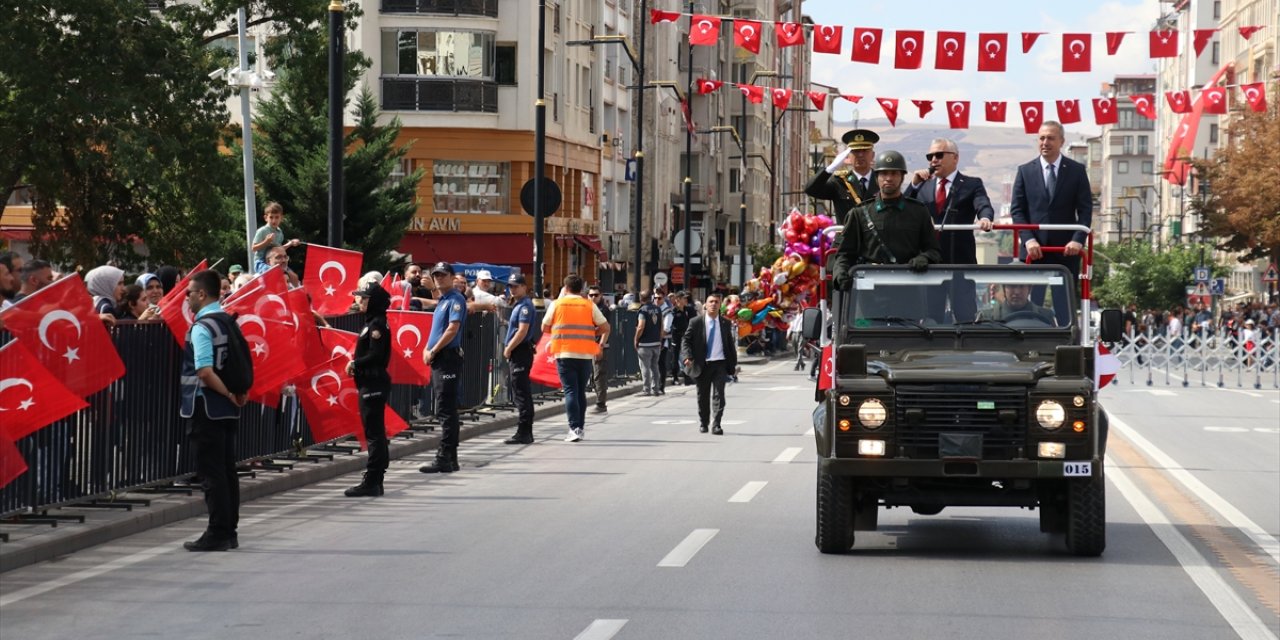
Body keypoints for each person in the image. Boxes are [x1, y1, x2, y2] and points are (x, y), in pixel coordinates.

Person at [180, 269, 248, 551]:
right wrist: (236, 394)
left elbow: (205, 371)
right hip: (228, 409)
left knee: (211, 473)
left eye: (189, 293)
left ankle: (217, 532)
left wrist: (227, 393)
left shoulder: (202, 327)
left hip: (205, 404)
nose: (187, 298)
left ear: (201, 294)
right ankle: (229, 530)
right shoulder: (229, 322)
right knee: (227, 470)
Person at [1010, 121, 1093, 327]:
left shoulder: (1076, 171)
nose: (1045, 142)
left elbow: (1085, 210)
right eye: (1041, 138)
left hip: (1065, 252)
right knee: (1031, 305)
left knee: (1064, 305)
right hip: (1034, 253)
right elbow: (1017, 211)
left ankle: (1068, 342)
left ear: (1061, 142)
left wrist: (1077, 240)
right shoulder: (1025, 171)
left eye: (1050, 138)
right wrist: (1028, 240)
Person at [903, 138, 996, 322]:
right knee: (931, 317)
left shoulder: (971, 183)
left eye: (939, 155)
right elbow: (903, 209)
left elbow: (983, 204)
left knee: (965, 316)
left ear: (955, 158)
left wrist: (985, 218)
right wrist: (913, 186)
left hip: (960, 261)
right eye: (930, 156)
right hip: (930, 263)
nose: (933, 160)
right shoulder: (922, 185)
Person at [830, 150, 942, 290]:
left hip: (909, 287)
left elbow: (934, 250)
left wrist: (924, 258)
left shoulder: (918, 211)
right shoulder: (860, 213)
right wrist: (841, 274)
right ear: (877, 178)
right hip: (870, 290)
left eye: (894, 173)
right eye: (884, 173)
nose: (889, 178)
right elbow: (844, 254)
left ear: (902, 177)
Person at [542, 273, 610, 442]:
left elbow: (544, 326)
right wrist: (592, 333)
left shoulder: (557, 304)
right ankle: (580, 427)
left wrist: (558, 332)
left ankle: (574, 428)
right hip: (585, 353)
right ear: (582, 289)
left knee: (570, 391)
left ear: (565, 288)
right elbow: (605, 326)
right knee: (580, 391)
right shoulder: (588, 305)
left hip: (564, 352)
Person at [344, 282, 393, 496]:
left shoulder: (377, 325)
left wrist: (355, 363)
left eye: (364, 298)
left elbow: (375, 355)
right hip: (370, 382)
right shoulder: (374, 322)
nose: (359, 300)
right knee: (375, 432)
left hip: (373, 382)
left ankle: (373, 479)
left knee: (374, 434)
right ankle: (375, 478)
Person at [420, 262, 467, 474]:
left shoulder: (455, 299)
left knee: (445, 410)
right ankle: (451, 458)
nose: (439, 278)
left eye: (443, 275)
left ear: (452, 277)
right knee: (446, 408)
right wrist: (427, 348)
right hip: (441, 357)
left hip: (446, 357)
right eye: (436, 275)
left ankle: (444, 456)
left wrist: (434, 350)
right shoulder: (444, 300)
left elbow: (452, 328)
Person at [681, 293, 738, 435]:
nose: (713, 304)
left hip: (720, 364)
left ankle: (717, 424)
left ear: (720, 305)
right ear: (705, 305)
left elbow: (730, 344)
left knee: (719, 395)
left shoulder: (725, 323)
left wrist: (733, 364)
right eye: (711, 301)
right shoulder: (696, 322)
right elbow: (686, 340)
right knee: (703, 395)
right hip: (702, 364)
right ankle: (703, 422)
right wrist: (688, 356)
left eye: (716, 302)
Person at [805, 129, 880, 229]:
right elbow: (811, 189)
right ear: (848, 156)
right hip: (847, 240)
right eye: (855, 151)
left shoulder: (881, 181)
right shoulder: (839, 182)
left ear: (873, 155)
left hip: (874, 241)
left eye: (865, 150)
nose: (860, 155)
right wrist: (830, 169)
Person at [501, 274, 539, 444]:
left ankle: (524, 431)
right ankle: (525, 431)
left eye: (516, 286)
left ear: (524, 287)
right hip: (520, 351)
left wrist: (509, 348)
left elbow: (522, 330)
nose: (513, 289)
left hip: (520, 351)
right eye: (511, 286)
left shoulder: (525, 306)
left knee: (521, 393)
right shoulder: (519, 304)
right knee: (520, 391)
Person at [252, 202, 301, 274]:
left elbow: (279, 249)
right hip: (261, 262)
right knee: (273, 272)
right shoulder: (262, 231)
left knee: (293, 276)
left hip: (275, 262)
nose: (274, 220)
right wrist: (266, 241)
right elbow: (253, 248)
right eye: (271, 217)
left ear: (281, 218)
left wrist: (290, 243)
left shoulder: (279, 232)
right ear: (266, 218)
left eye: (277, 217)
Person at [978, 283, 1056, 325]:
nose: (1017, 292)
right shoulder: (986, 318)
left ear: (1029, 289)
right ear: (1004, 288)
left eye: (1022, 286)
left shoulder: (1046, 316)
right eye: (1012, 286)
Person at [634, 289, 664, 396]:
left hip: (645, 343)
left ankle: (646, 389)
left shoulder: (643, 310)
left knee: (645, 367)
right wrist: (660, 339)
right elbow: (661, 326)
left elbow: (641, 326)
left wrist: (636, 339)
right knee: (655, 366)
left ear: (641, 299)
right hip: (656, 342)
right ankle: (656, 388)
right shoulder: (658, 309)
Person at [587, 285, 612, 413]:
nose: (593, 297)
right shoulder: (590, 308)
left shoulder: (603, 309)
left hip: (598, 346)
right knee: (594, 375)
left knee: (599, 375)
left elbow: (606, 329)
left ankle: (601, 403)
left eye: (596, 295)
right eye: (591, 295)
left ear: (601, 295)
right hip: (589, 346)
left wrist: (601, 345)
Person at [669, 292, 696, 386]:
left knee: (686, 357)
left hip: (685, 337)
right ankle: (674, 377)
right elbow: (669, 325)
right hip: (676, 337)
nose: (686, 300)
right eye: (683, 298)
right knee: (675, 357)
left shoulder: (687, 310)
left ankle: (687, 377)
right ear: (678, 300)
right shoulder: (673, 312)